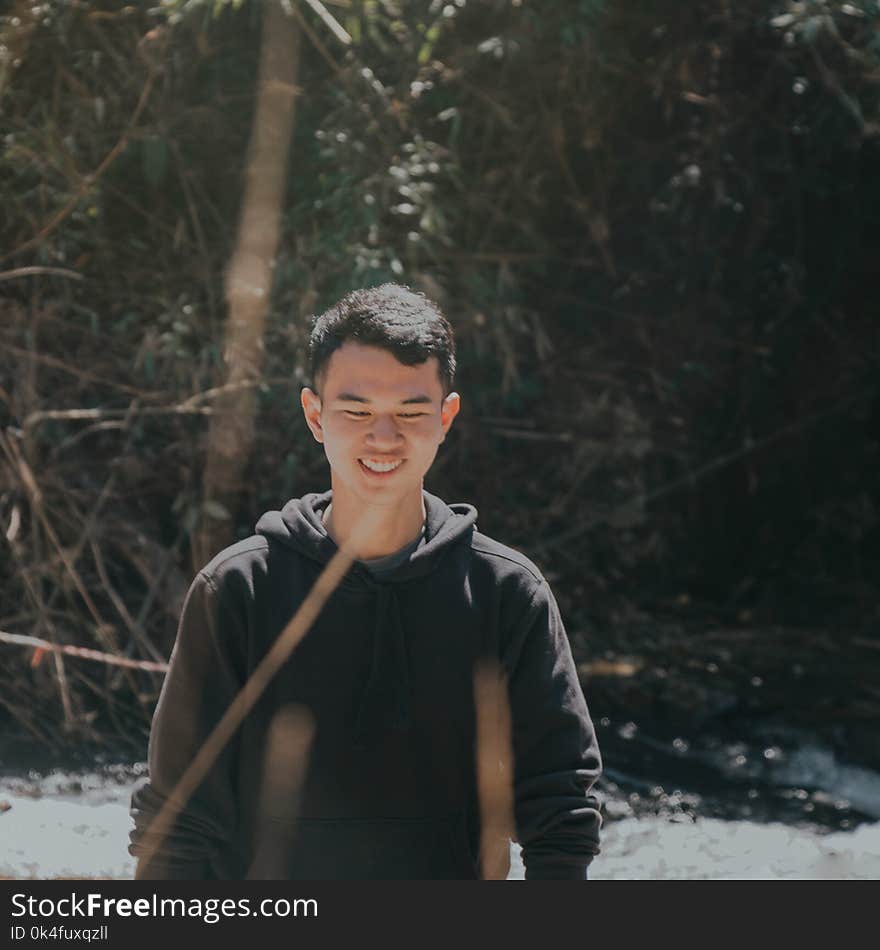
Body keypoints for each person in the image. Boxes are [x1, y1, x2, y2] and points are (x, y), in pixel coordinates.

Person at [129, 282, 603, 879]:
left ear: (446, 417)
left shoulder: (508, 594)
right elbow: (178, 822)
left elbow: (559, 805)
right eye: (357, 412)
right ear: (314, 415)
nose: (384, 438)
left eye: (410, 412)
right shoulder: (239, 590)